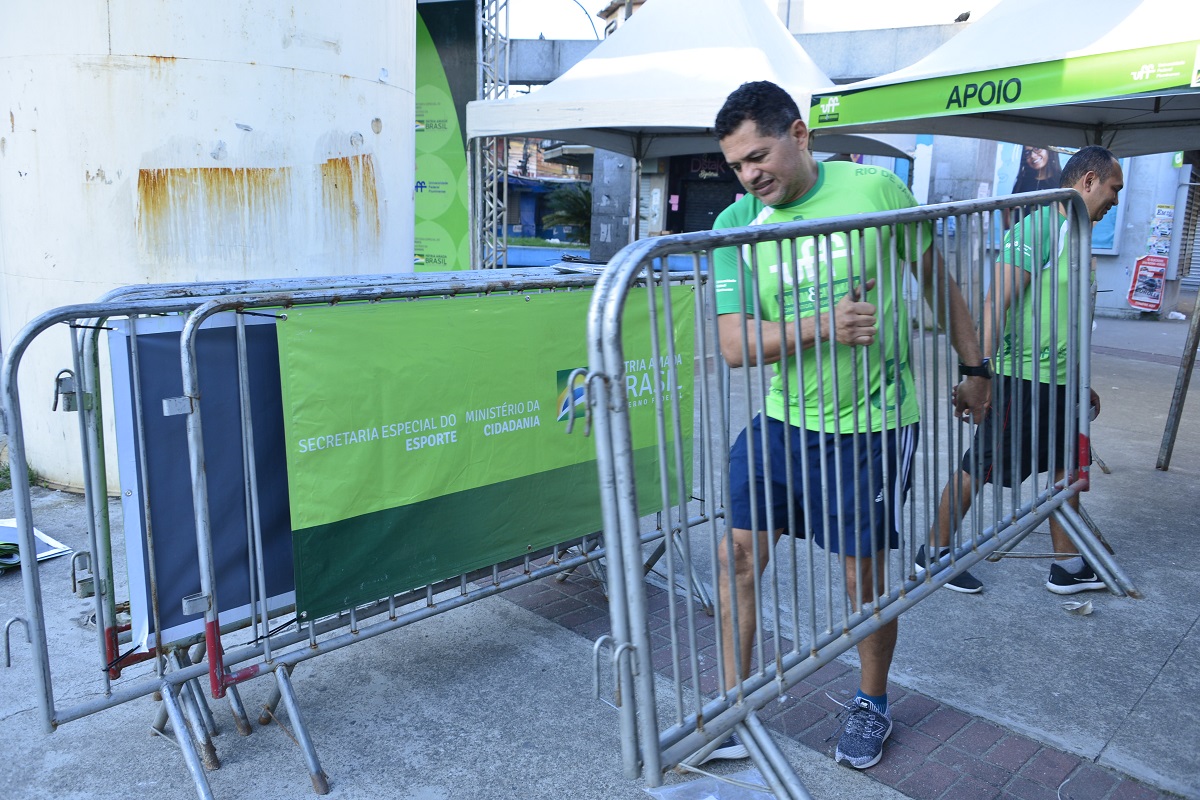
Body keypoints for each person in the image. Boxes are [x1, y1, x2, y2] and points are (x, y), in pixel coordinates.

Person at [703, 81, 991, 771]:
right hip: (782, 419)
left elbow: (936, 281)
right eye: (737, 165)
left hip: (872, 424)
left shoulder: (875, 191)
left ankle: (871, 702)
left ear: (800, 134)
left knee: (862, 578)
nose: (750, 175)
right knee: (735, 557)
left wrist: (975, 366)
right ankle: (731, 706)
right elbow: (736, 345)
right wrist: (822, 326)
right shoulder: (735, 225)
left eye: (759, 155)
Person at [920, 145, 1123, 594]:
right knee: (980, 465)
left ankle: (1067, 566)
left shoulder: (1080, 234)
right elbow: (996, 301)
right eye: (1114, 188)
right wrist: (979, 374)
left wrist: (1081, 378)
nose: (1115, 199)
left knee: (1067, 470)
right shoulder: (1039, 227)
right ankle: (933, 554)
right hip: (1024, 377)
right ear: (1089, 181)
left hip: (1062, 381)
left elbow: (1068, 315)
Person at [1003, 145, 1063, 229]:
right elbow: (1007, 225)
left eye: (1037, 148)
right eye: (1027, 152)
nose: (1032, 155)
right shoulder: (1023, 182)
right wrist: (1008, 208)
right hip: (1024, 235)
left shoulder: (1062, 181)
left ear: (1049, 150)